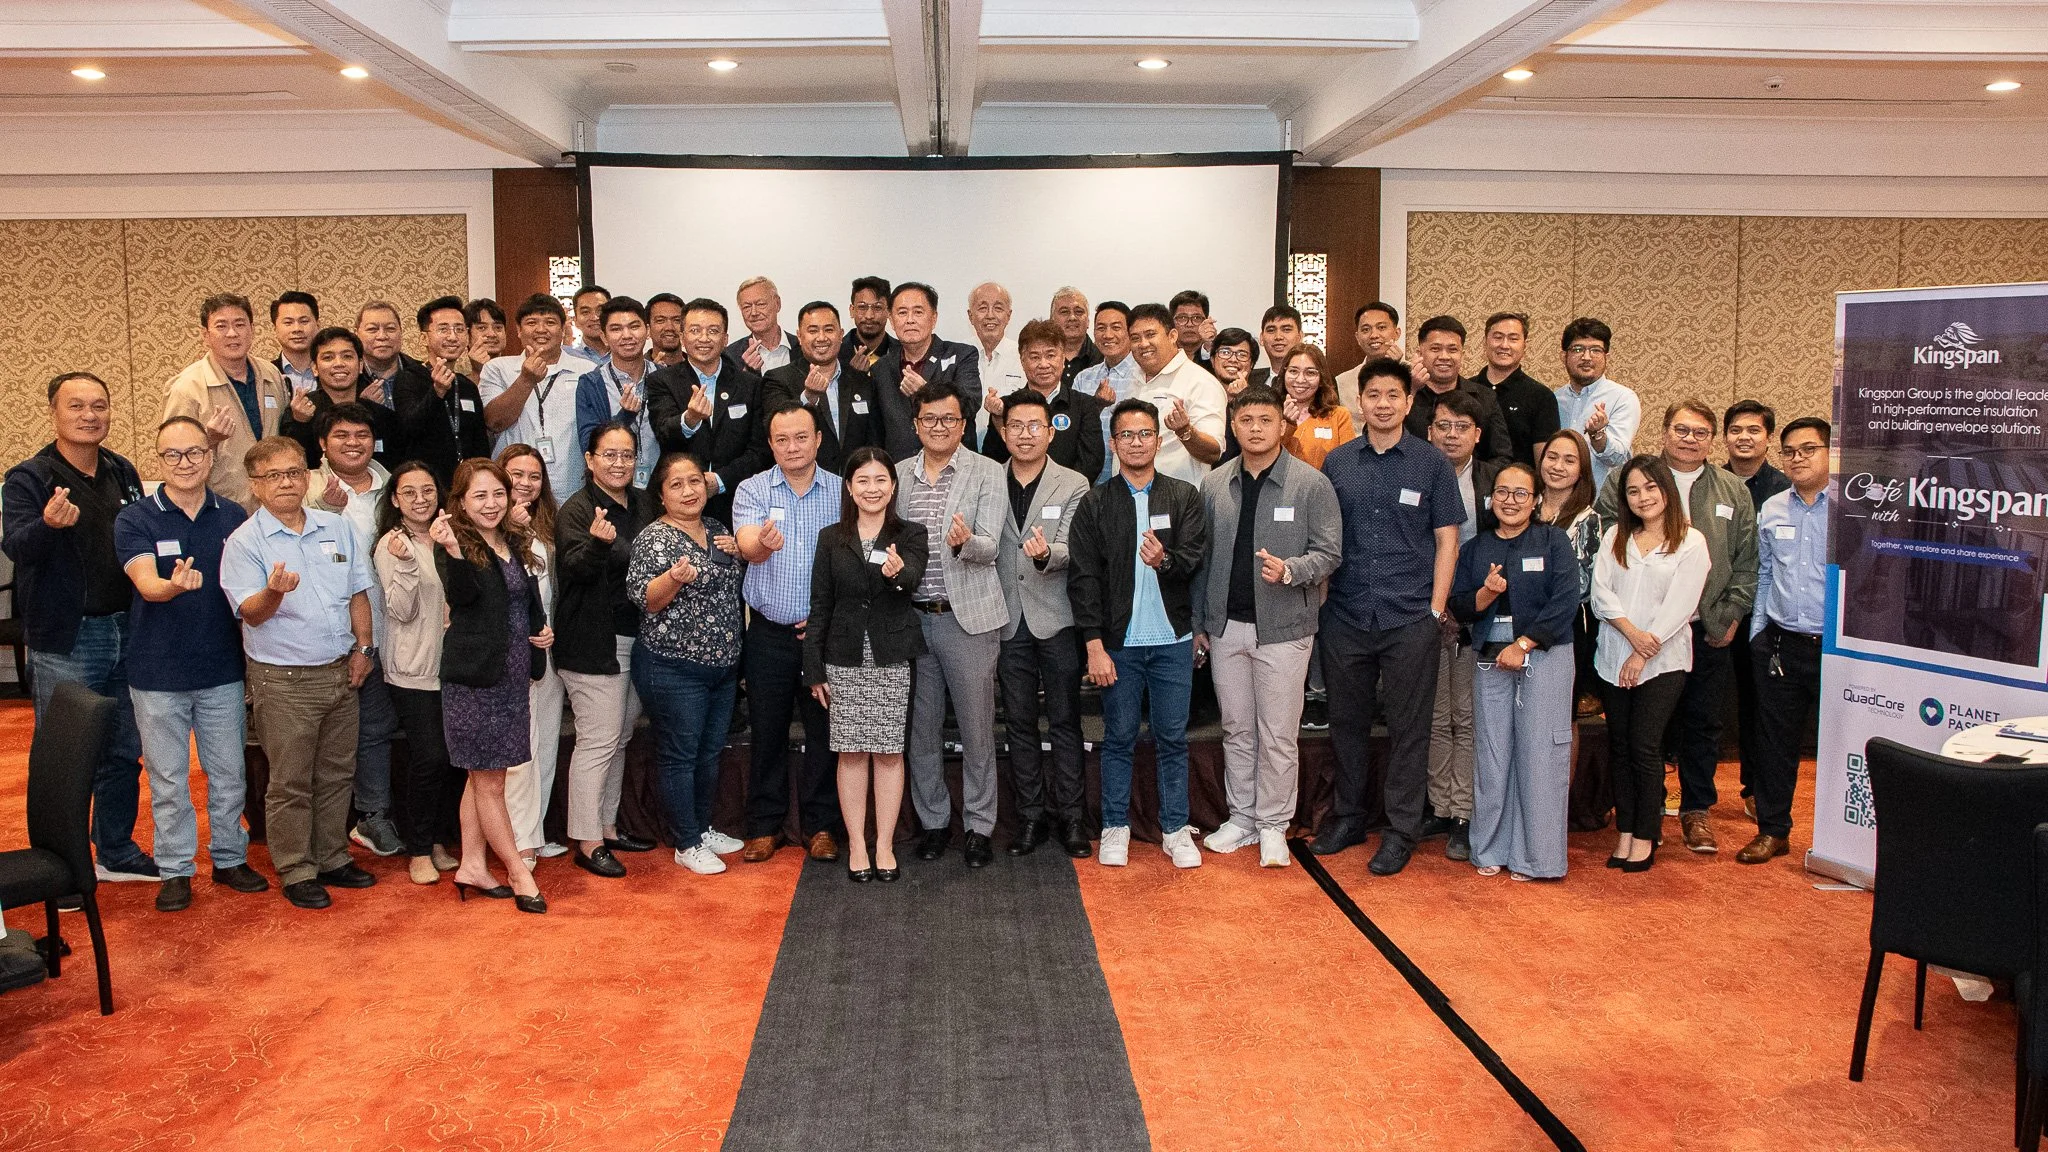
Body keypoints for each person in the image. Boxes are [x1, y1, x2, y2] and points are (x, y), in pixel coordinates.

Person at [1311, 357, 1464, 875]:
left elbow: (1447, 540)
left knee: (1409, 729)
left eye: (1393, 395)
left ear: (1408, 401)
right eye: (1373, 394)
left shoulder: (1431, 463)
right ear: (1360, 401)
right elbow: (1325, 540)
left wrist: (1436, 609)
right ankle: (1349, 817)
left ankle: (1401, 831)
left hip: (1410, 617)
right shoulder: (1337, 462)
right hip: (1346, 614)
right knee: (1346, 724)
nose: (1382, 404)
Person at [4, 372, 154, 882]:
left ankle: (115, 849)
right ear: (53, 412)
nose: (90, 415)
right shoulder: (29, 477)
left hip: (128, 629)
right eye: (76, 406)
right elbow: (17, 547)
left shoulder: (122, 470)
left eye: (99, 405)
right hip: (67, 639)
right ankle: (61, 867)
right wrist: (47, 525)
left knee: (123, 749)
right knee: (64, 759)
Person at [219, 437, 376, 908]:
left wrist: (364, 648)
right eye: (273, 476)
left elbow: (358, 592)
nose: (286, 482)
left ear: (307, 477)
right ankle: (296, 869)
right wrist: (273, 592)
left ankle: (332, 857)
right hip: (284, 680)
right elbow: (251, 613)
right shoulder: (244, 542)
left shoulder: (336, 527)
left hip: (341, 670)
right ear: (255, 485)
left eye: (293, 472)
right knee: (290, 781)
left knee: (337, 773)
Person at [117, 416, 267, 911]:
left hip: (221, 669)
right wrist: (172, 586)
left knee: (229, 774)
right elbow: (146, 585)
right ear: (159, 460)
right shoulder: (136, 518)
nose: (185, 463)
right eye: (173, 454)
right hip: (157, 674)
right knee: (168, 779)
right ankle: (176, 869)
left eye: (195, 452)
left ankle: (229, 859)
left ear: (211, 455)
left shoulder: (233, 516)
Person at [1594, 400, 1756, 855]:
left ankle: (1695, 811)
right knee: (1639, 740)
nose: (1690, 439)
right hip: (1624, 637)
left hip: (1702, 629)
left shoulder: (1731, 489)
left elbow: (1747, 561)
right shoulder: (1626, 484)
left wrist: (1731, 614)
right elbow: (1604, 566)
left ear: (1712, 440)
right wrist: (1632, 634)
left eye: (1701, 432)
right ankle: (1647, 816)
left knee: (1701, 725)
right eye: (1681, 430)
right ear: (1664, 432)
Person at [1192, 385, 1342, 869]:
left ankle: (1274, 823)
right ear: (1234, 426)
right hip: (1225, 627)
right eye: (1246, 420)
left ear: (1283, 425)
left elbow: (1330, 553)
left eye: (1265, 420)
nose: (1255, 429)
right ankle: (1242, 818)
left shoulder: (1311, 484)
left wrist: (1292, 570)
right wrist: (1200, 623)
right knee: (1236, 728)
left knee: (1277, 733)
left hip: (1285, 628)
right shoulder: (1215, 484)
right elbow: (1202, 561)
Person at [1069, 399, 1209, 869]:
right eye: (1126, 435)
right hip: (1119, 645)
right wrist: (1094, 645)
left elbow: (1194, 559)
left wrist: (1163, 561)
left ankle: (1175, 828)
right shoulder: (1095, 502)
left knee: (1173, 738)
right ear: (1113, 444)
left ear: (1158, 440)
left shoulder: (1183, 496)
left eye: (1145, 433)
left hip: (1172, 641)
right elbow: (1083, 579)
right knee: (1119, 737)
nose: (1136, 442)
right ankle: (1115, 826)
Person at [892, 385, 1007, 868]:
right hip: (912, 619)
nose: (938, 427)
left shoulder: (988, 471)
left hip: (969, 621)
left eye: (949, 419)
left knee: (978, 730)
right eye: (929, 419)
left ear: (963, 426)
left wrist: (965, 543)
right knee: (921, 731)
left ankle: (979, 827)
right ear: (915, 424)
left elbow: (992, 545)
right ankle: (935, 822)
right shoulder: (898, 474)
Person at [431, 459, 553, 914]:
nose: (491, 504)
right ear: (461, 503)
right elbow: (463, 597)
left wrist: (542, 632)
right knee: (490, 782)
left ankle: (472, 866)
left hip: (512, 678)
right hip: (475, 683)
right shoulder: (455, 543)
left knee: (480, 776)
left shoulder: (513, 539)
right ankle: (518, 872)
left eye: (498, 494)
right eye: (479, 496)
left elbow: (525, 601)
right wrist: (454, 551)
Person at [1451, 461, 1582, 881]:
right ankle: (1489, 848)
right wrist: (1486, 594)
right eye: (1502, 492)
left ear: (1536, 500)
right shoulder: (1477, 547)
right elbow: (1459, 604)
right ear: (1491, 500)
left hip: (1544, 655)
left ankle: (1536, 858)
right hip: (1490, 660)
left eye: (1521, 493)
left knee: (1539, 755)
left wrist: (1524, 644)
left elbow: (1566, 599)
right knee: (1492, 755)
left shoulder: (1552, 541)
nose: (1510, 501)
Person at [805, 447, 929, 882]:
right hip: (843, 656)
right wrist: (813, 668)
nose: (871, 489)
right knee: (852, 752)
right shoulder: (831, 538)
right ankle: (857, 843)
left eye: (880, 480)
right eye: (863, 480)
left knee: (890, 752)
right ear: (849, 487)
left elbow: (912, 578)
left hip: (891, 655)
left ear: (892, 487)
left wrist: (897, 574)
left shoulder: (910, 533)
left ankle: (884, 845)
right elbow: (820, 605)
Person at [734, 405, 845, 862]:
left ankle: (821, 826)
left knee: (824, 732)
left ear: (818, 439)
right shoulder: (752, 489)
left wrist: (827, 621)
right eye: (782, 439)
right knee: (767, 729)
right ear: (770, 444)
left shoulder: (842, 491)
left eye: (801, 437)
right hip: (769, 634)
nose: (792, 447)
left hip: (824, 635)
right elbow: (746, 546)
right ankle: (765, 826)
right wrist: (761, 545)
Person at [629, 453, 747, 875]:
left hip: (723, 668)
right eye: (676, 485)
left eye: (694, 481)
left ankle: (701, 827)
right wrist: (673, 579)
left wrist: (742, 551)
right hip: (673, 668)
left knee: (709, 752)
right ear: (661, 495)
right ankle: (686, 842)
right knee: (680, 755)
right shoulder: (654, 538)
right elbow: (647, 600)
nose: (688, 491)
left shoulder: (717, 530)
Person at [1591, 455, 1710, 873]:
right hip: (1613, 656)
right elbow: (1601, 594)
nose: (1642, 497)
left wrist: (1642, 652)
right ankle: (1625, 829)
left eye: (1650, 487)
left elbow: (1681, 606)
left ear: (1667, 490)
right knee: (1620, 747)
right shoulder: (1615, 536)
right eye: (1633, 491)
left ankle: (1646, 833)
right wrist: (1631, 637)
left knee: (1645, 746)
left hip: (1663, 663)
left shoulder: (1691, 542)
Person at [553, 422, 656, 878]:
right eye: (609, 455)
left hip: (638, 637)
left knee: (620, 737)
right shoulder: (577, 510)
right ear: (590, 460)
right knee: (597, 742)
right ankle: (586, 840)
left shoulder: (644, 503)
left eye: (627, 455)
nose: (619, 463)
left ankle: (608, 827)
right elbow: (574, 569)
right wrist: (599, 544)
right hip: (594, 642)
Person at [993, 389, 1092, 858]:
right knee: (1018, 722)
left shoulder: (1073, 483)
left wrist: (1047, 554)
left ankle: (1072, 818)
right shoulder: (988, 479)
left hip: (1056, 618)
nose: (1025, 434)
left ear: (1051, 433)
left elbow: (1076, 548)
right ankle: (1030, 817)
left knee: (1066, 721)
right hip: (1006, 619)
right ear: (1003, 432)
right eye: (1016, 426)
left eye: (1035, 426)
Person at [305, 403, 401, 858]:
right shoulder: (306, 488)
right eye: (341, 435)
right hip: (329, 639)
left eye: (362, 434)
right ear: (323, 444)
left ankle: (373, 816)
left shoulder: (395, 488)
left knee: (376, 729)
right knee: (325, 735)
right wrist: (324, 510)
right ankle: (317, 829)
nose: (353, 443)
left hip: (391, 631)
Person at [1742, 417, 1830, 865]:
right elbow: (1764, 573)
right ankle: (1773, 830)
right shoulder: (1773, 508)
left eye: (1809, 449)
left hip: (1836, 649)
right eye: (1790, 451)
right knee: (1775, 744)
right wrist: (1758, 633)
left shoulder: (1853, 509)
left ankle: (1845, 840)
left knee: (1842, 744)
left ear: (1831, 453)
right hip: (1781, 643)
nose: (1798, 459)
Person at [374, 461, 463, 885]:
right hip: (413, 670)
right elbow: (400, 610)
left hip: (455, 666)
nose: (420, 499)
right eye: (408, 492)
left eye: (427, 490)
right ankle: (418, 848)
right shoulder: (391, 545)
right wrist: (408, 565)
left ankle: (439, 840)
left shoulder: (451, 535)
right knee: (430, 758)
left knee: (454, 760)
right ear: (394, 499)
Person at [1421, 388, 1499, 860]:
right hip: (1426, 609)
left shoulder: (1493, 480)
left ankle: (1463, 812)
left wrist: (1468, 602)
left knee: (1466, 718)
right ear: (1430, 431)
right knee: (1435, 715)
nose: (1452, 435)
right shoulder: (1416, 470)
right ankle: (1438, 805)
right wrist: (1436, 602)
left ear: (1478, 434)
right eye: (1444, 426)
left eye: (1462, 428)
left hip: (1477, 611)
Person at [645, 297, 771, 525]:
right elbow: (664, 433)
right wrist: (690, 419)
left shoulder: (749, 384)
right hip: (679, 503)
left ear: (725, 339)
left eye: (713, 331)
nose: (704, 338)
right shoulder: (661, 380)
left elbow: (760, 451)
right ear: (682, 337)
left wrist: (720, 480)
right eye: (695, 331)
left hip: (736, 500)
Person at [1723, 398, 1791, 818]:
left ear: (1768, 439)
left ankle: (1754, 788)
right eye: (1736, 430)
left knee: (1757, 704)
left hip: (1761, 616)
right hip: (1711, 610)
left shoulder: (1784, 489)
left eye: (1754, 430)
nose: (1744, 438)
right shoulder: (1709, 482)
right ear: (1724, 437)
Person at [498, 444, 565, 861]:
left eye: (534, 476)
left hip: (548, 650)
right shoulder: (490, 526)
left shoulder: (548, 525)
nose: (525, 483)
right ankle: (516, 840)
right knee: (518, 753)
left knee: (546, 747)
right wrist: (510, 528)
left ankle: (535, 833)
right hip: (511, 654)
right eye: (516, 475)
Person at [163, 292, 288, 509]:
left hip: (273, 507)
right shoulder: (186, 387)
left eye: (240, 324)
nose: (232, 333)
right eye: (221, 326)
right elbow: (172, 458)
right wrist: (209, 439)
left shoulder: (271, 374)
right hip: (218, 509)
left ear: (252, 329)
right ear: (205, 335)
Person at [479, 293, 598, 500]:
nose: (541, 329)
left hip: (573, 487)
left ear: (563, 330)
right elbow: (494, 422)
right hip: (514, 489)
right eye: (531, 323)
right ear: (518, 330)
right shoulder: (497, 368)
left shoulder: (587, 370)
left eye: (550, 322)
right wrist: (526, 380)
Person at [764, 301, 886, 473]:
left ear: (841, 334)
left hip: (855, 483)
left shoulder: (862, 381)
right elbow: (778, 429)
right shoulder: (777, 379)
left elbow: (875, 442)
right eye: (813, 331)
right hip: (804, 483)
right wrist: (808, 398)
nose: (821, 338)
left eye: (829, 330)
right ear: (799, 336)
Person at [979, 318, 1104, 480]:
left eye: (1050, 355)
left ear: (1063, 359)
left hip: (1071, 493)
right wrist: (999, 417)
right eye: (1035, 357)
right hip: (1015, 492)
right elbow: (993, 461)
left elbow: (1091, 462)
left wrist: (1062, 489)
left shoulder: (1084, 405)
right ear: (1022, 361)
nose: (1044, 364)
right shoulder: (1006, 405)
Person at [871, 282, 983, 461]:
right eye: (902, 313)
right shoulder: (881, 368)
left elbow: (970, 404)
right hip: (901, 469)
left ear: (934, 318)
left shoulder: (961, 355)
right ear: (891, 320)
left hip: (956, 465)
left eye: (918, 312)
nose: (910, 320)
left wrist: (926, 391)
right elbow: (876, 430)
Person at [1535, 429, 1603, 708]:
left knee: (1562, 711)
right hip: (1519, 617)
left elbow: (1583, 585)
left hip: (1566, 622)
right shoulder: (1523, 506)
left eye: (1569, 460)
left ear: (1581, 470)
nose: (1558, 466)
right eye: (1552, 457)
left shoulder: (1588, 519)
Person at [396, 296, 490, 489]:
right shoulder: (409, 378)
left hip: (466, 487)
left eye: (459, 329)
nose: (453, 337)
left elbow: (480, 443)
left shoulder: (467, 386)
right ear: (424, 338)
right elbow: (408, 429)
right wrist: (437, 391)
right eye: (444, 329)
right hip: (426, 488)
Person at [1128, 302, 1226, 485]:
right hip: (1126, 495)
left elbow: (1213, 452)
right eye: (1135, 338)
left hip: (1179, 498)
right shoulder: (1130, 380)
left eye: (1150, 335)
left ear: (1172, 336)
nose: (1143, 344)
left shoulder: (1200, 382)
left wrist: (1185, 431)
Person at [279, 328, 402, 471]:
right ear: (315, 368)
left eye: (347, 356)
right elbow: (292, 465)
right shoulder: (300, 411)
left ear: (360, 365)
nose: (339, 364)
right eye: (328, 358)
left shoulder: (379, 413)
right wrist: (300, 424)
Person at [574, 296, 663, 489]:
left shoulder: (666, 377)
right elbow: (589, 445)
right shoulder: (591, 384)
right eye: (616, 329)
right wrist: (624, 417)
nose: (627, 335)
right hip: (614, 489)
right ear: (604, 337)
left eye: (634, 326)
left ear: (647, 330)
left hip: (662, 489)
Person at [1402, 316, 1512, 469]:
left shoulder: (1485, 398)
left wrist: (1471, 478)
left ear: (1462, 355)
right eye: (1435, 349)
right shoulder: (1403, 395)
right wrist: (1411, 390)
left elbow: (1501, 456)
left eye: (1452, 350)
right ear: (1420, 354)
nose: (1444, 357)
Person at [1552, 318, 1638, 493]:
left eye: (1595, 350)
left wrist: (1598, 435)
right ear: (1564, 356)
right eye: (1578, 349)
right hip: (1557, 499)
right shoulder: (1553, 399)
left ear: (1607, 357)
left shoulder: (1623, 398)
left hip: (1601, 501)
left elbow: (1617, 458)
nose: (1586, 357)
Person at [1471, 312, 1560, 465]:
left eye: (1513, 339)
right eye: (1498, 337)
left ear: (1525, 345)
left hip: (1520, 480)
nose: (1504, 345)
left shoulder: (1542, 397)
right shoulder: (1466, 389)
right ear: (1485, 342)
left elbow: (1544, 463)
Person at [1073, 302, 1140, 480]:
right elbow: (1073, 431)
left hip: (1132, 478)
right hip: (1090, 480)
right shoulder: (1083, 378)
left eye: (1116, 327)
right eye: (1101, 328)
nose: (1108, 335)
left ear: (1130, 332)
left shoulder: (1143, 376)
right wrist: (1095, 406)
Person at [1278, 344, 1355, 470]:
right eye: (1293, 371)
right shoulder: (1270, 413)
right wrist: (1287, 426)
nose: (1300, 380)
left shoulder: (1338, 416)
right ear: (1284, 373)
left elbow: (1348, 464)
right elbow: (1264, 459)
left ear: (1321, 378)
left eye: (1310, 373)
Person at [967, 282, 1025, 446]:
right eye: (982, 308)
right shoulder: (958, 355)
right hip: (964, 450)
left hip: (1008, 451)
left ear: (1008, 315)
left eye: (998, 308)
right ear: (970, 316)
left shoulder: (1023, 356)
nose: (990, 315)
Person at [1335, 302, 1401, 426]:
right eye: (1366, 330)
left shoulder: (1415, 374)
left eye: (1381, 328)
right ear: (1357, 338)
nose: (1374, 335)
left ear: (1397, 333)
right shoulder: (1342, 382)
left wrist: (1395, 369)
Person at [354, 301, 415, 412]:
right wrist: (361, 406)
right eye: (372, 329)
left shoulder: (422, 374)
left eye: (390, 329)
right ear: (356, 334)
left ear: (401, 332)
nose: (382, 336)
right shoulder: (348, 378)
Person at [729, 276, 795, 373]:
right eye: (747, 307)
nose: (754, 312)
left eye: (760, 304)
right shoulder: (730, 356)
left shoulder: (803, 348)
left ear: (777, 304)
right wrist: (747, 374)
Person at [841, 275, 897, 374]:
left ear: (889, 311)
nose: (869, 316)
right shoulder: (835, 352)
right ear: (852, 310)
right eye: (862, 307)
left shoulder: (902, 352)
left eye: (877, 307)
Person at [272, 291, 321, 397]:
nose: (297, 329)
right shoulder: (266, 374)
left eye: (304, 321)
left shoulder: (331, 370)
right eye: (288, 323)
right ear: (275, 329)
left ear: (318, 325)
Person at [1051, 286, 1101, 386]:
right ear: (1052, 320)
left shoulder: (1104, 359)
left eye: (1079, 312)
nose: (1072, 317)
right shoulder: (1042, 361)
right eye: (1064, 312)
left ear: (1088, 321)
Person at [1247, 305, 1303, 388]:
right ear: (1261, 338)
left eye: (1286, 330)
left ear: (1300, 337)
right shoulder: (1248, 380)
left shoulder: (1312, 380)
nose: (1278, 337)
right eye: (1271, 330)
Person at [1170, 289, 1216, 367]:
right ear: (1171, 321)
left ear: (1207, 321)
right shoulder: (1162, 354)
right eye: (1182, 318)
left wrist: (1209, 345)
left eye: (1196, 318)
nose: (1189, 324)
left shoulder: (1218, 354)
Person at [463, 298, 507, 379]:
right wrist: (478, 372)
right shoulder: (457, 383)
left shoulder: (520, 374)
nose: (492, 334)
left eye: (498, 327)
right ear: (467, 336)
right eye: (482, 328)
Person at [569, 285, 611, 363]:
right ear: (575, 320)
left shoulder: (629, 354)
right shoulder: (569, 358)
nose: (594, 318)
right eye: (585, 312)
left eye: (600, 311)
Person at [647, 292, 688, 368]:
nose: (669, 328)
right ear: (648, 329)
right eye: (660, 320)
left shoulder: (699, 368)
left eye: (677, 320)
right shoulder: (637, 369)